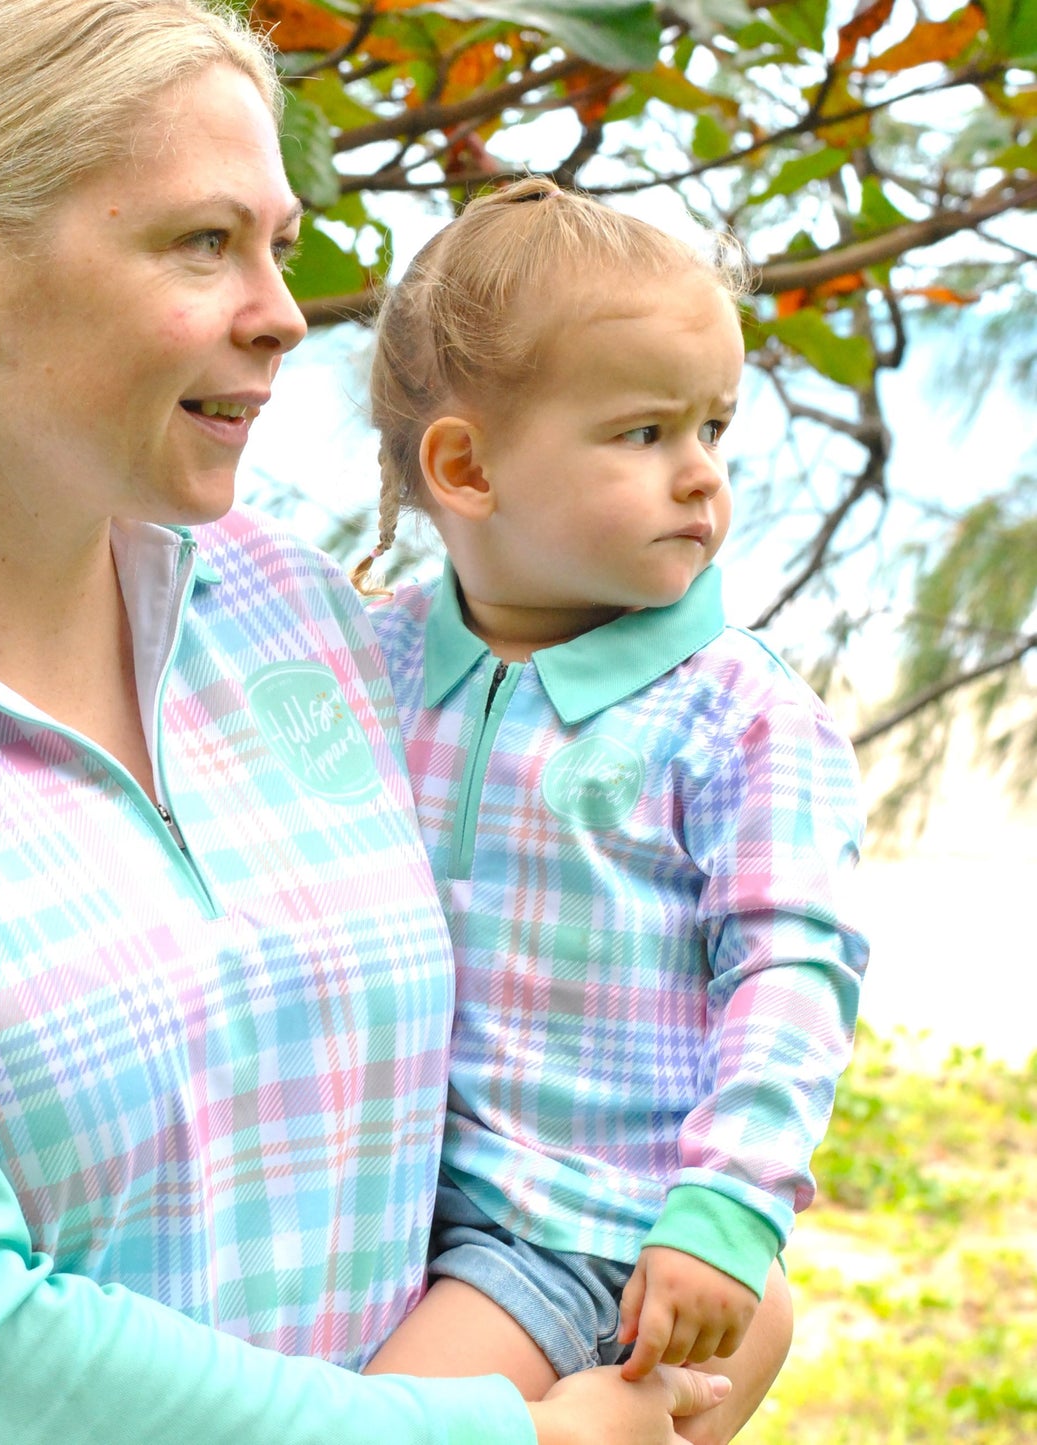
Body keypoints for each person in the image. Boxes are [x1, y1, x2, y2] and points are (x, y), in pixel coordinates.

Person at [0, 5, 734, 1444]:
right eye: (203, 243)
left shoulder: (287, 607)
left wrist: (694, 1252)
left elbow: (552, 1055)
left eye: (276, 243)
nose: (281, 309)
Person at [357, 178, 868, 1442]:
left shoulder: (738, 713)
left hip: (574, 1226)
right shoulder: (369, 664)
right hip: (387, 1204)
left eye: (712, 428)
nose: (700, 477)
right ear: (465, 468)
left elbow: (792, 968)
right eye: (644, 434)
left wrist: (726, 1212)